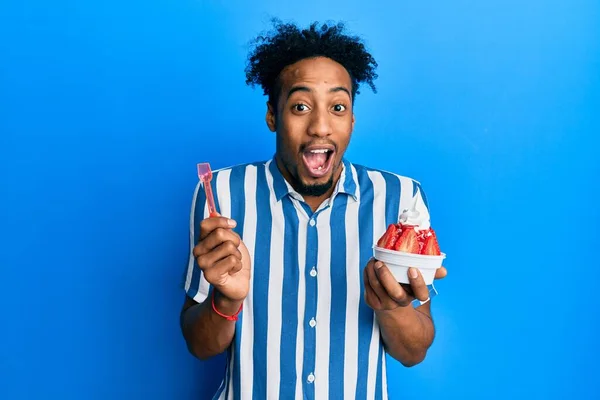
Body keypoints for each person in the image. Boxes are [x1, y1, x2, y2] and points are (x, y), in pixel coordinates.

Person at [180, 20, 448, 400]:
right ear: (272, 115)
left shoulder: (400, 199)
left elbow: (414, 351)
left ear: (352, 119)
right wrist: (226, 301)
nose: (320, 127)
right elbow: (199, 344)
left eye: (338, 107)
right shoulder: (220, 193)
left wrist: (394, 308)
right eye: (300, 106)